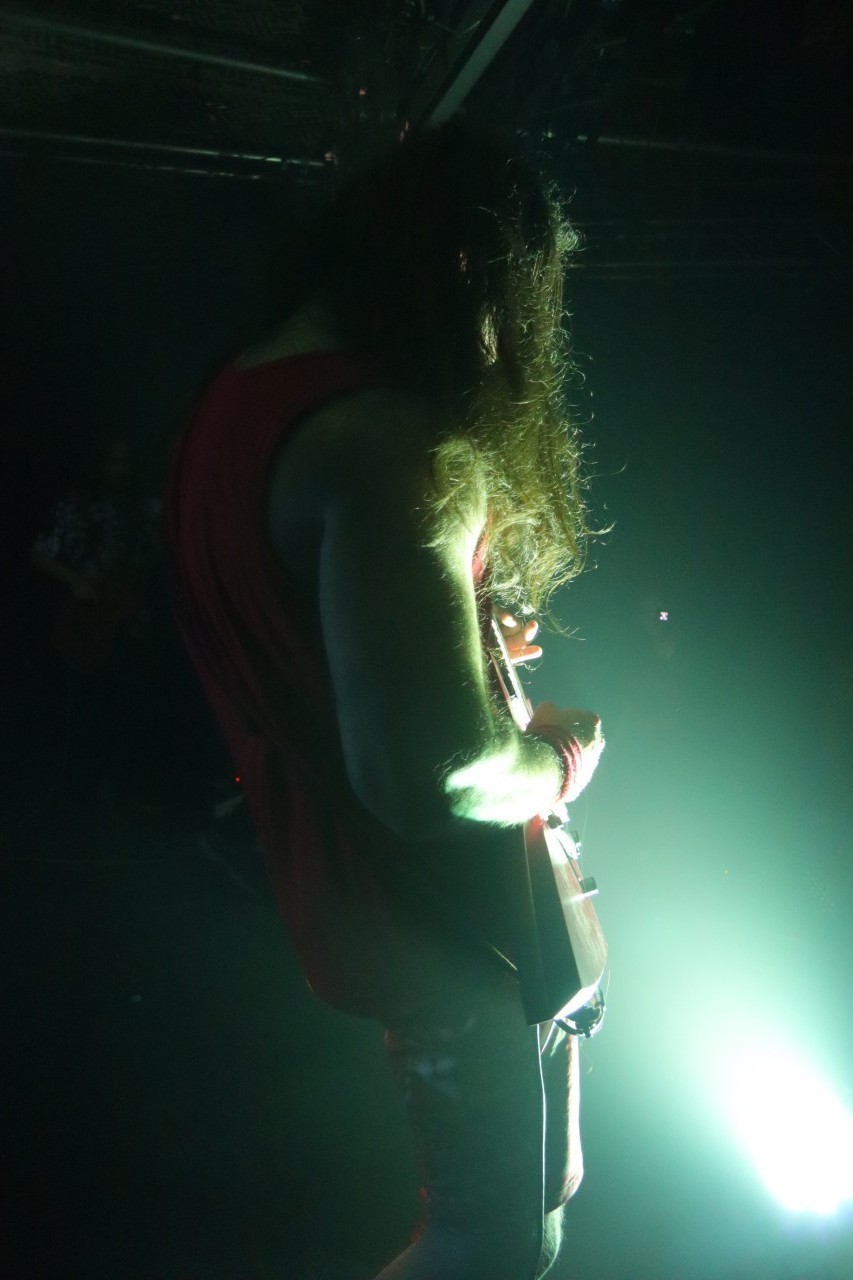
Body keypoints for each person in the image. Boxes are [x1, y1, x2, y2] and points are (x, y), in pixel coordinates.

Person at [165, 121, 605, 1280]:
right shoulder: (386, 444)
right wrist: (556, 758)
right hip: (445, 926)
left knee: (532, 1200)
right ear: (464, 270)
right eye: (515, 311)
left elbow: (309, 644)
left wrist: (453, 639)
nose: (508, 350)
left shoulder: (239, 397)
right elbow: (439, 770)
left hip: (367, 901)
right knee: (493, 1243)